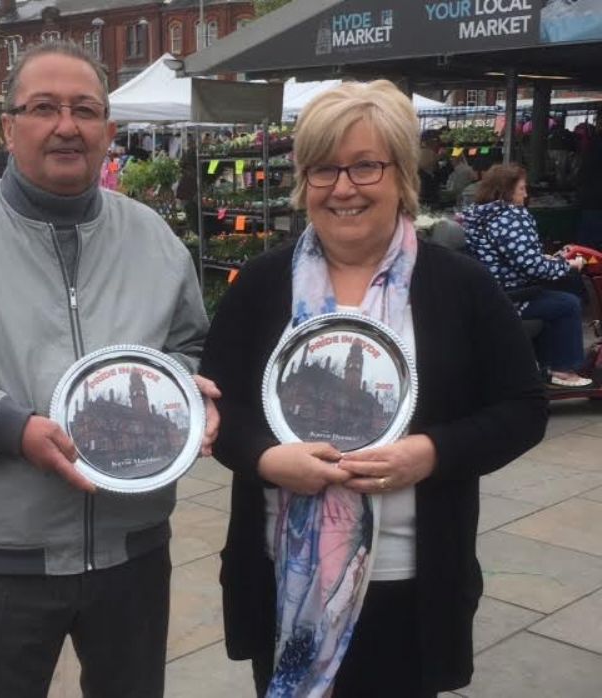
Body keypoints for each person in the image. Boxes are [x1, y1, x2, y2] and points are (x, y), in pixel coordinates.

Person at [0, 40, 219, 698]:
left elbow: (190, 344)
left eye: (85, 109)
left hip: (133, 550)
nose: (66, 125)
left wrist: (186, 393)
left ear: (108, 130)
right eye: (43, 107)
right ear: (8, 127)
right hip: (0, 559)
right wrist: (8, 425)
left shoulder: (154, 238)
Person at [200, 81, 547, 698]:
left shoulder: (460, 285)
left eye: (365, 165)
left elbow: (523, 408)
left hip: (409, 583)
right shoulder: (259, 285)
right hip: (286, 578)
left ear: (401, 176)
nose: (343, 187)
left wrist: (432, 452)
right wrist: (264, 457)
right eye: (323, 168)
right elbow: (221, 411)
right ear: (303, 180)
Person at [461, 163, 592, 388]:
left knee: (554, 300)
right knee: (568, 302)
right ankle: (562, 370)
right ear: (507, 190)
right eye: (522, 189)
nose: (526, 194)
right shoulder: (510, 217)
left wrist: (550, 259)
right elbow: (533, 267)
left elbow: (513, 255)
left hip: (495, 290)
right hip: (513, 296)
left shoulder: (479, 216)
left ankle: (545, 364)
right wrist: (568, 265)